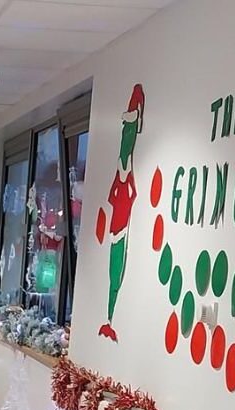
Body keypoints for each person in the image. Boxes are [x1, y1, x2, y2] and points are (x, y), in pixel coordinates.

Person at [99, 84, 144, 343]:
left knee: (116, 274)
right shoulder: (122, 176)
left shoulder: (126, 180)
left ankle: (110, 320)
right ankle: (109, 319)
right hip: (117, 232)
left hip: (121, 233)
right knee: (112, 275)